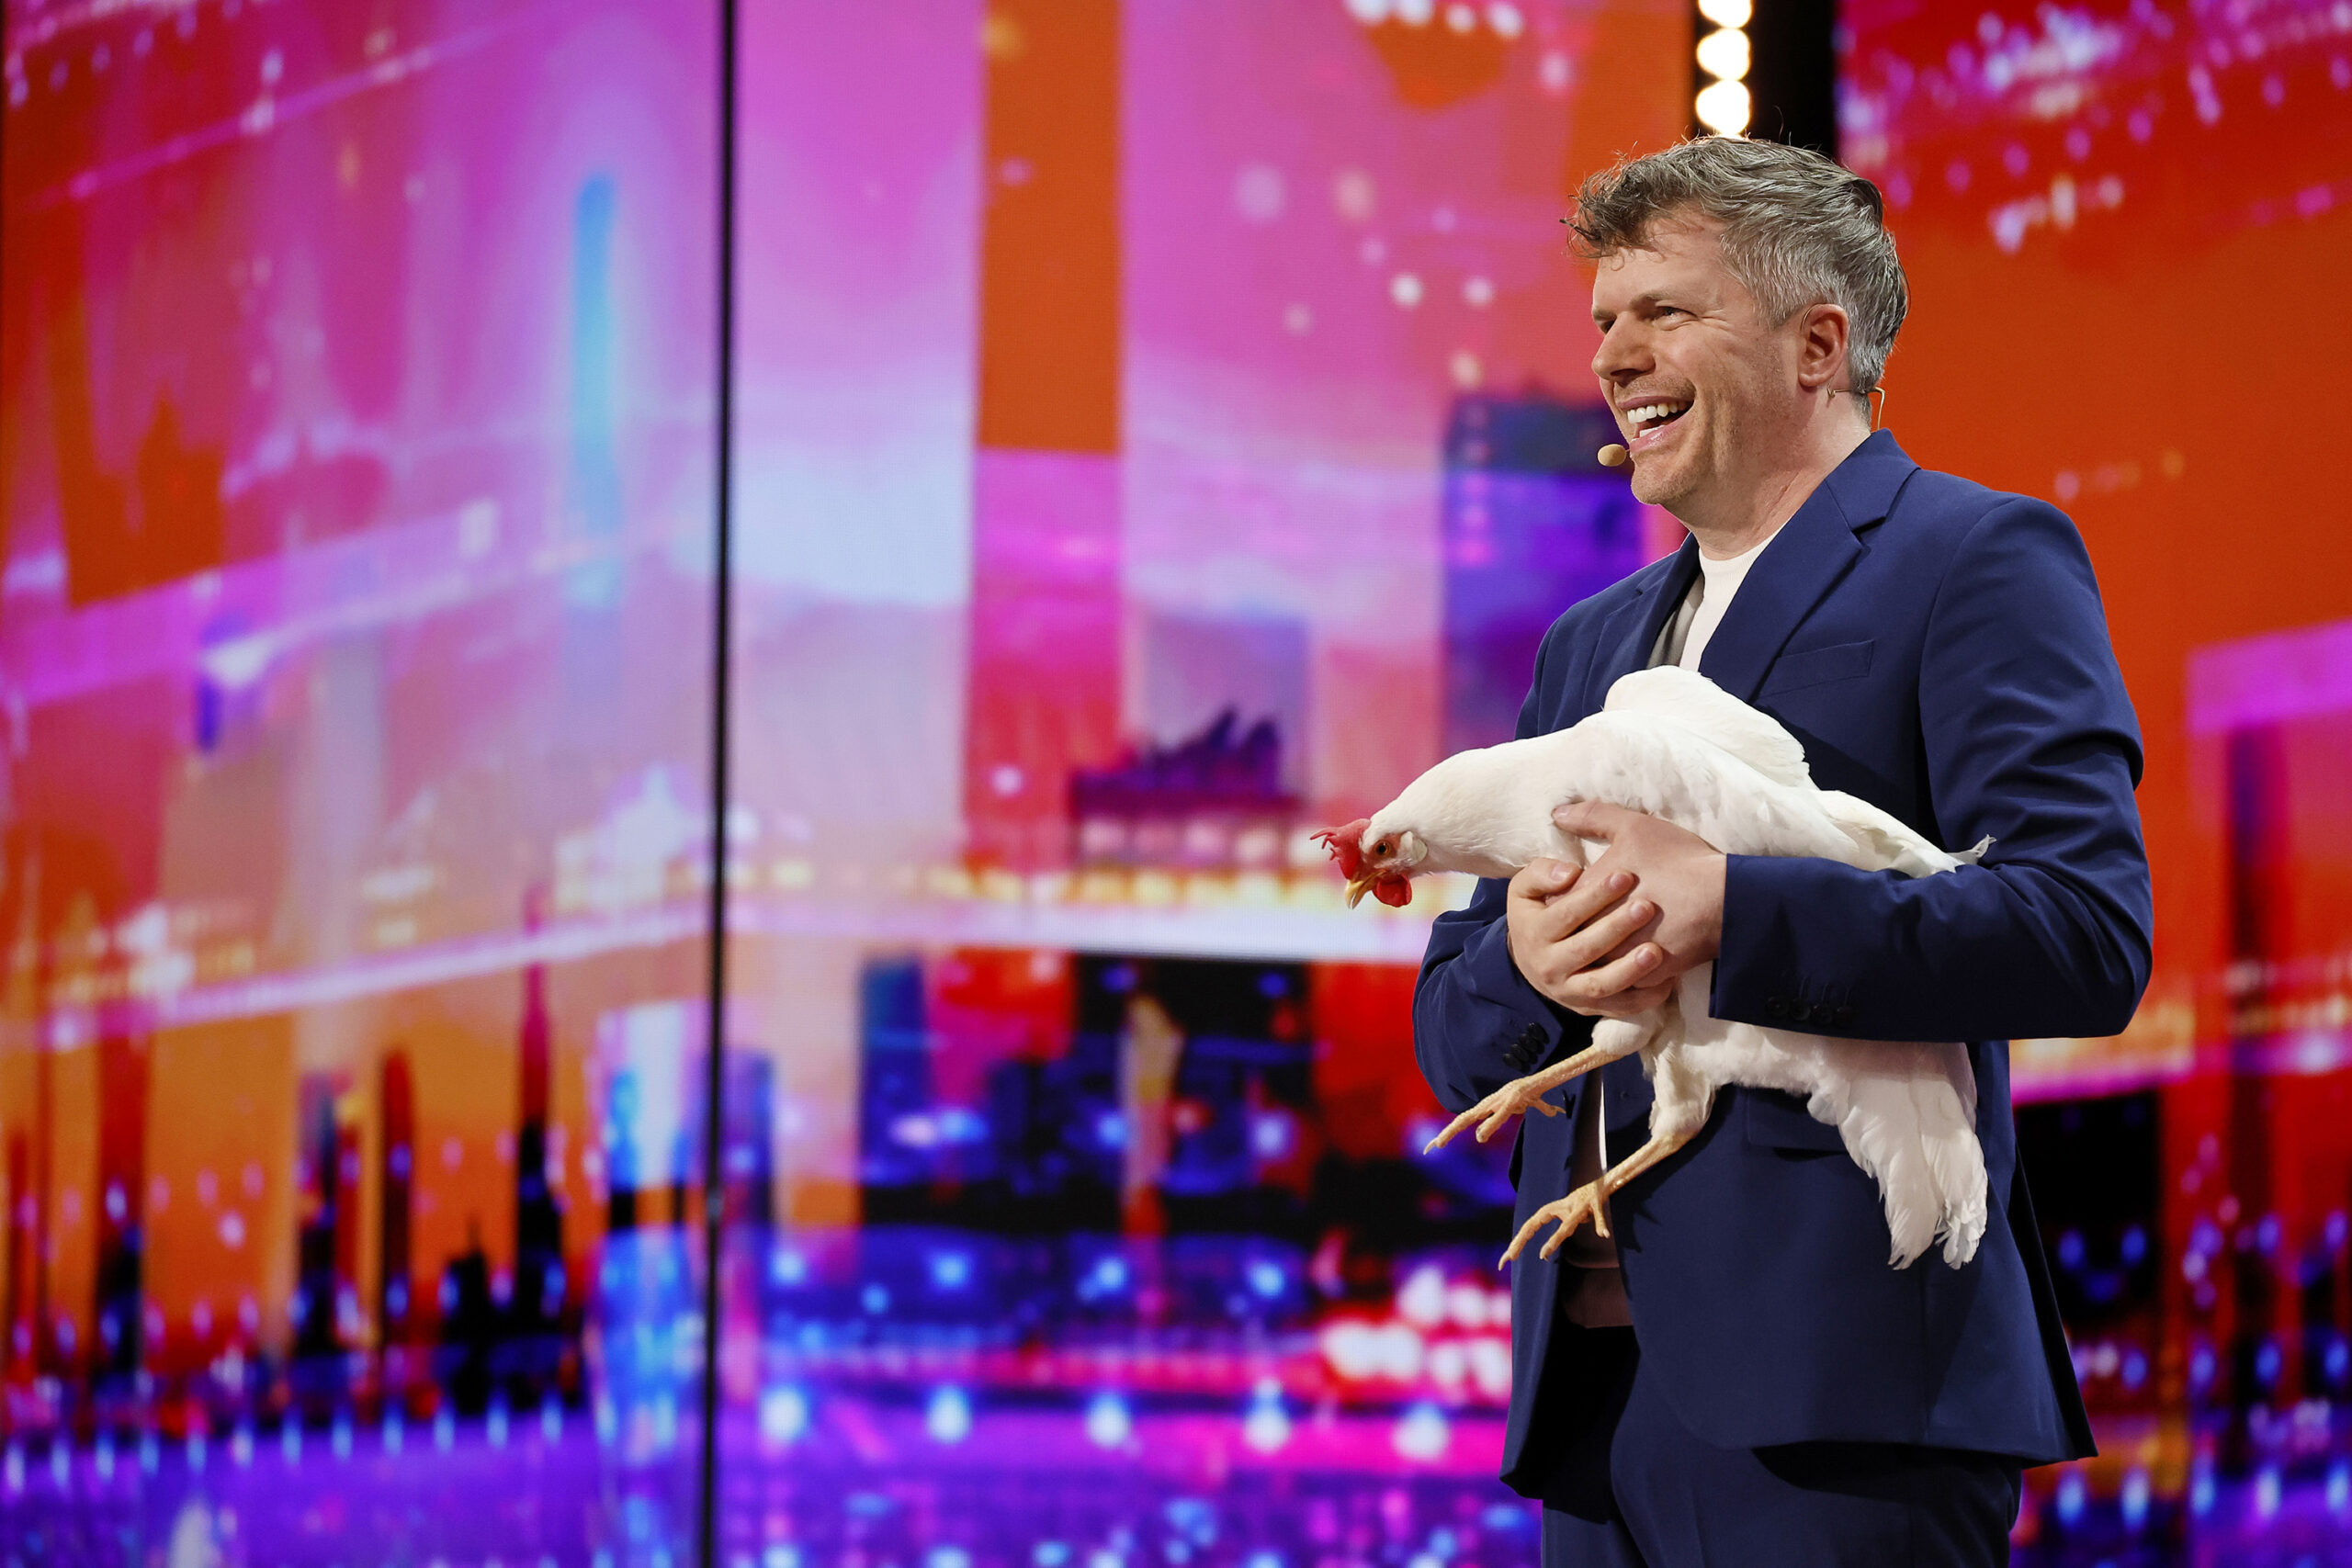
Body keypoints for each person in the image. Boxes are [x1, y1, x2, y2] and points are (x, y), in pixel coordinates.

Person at [1412, 136, 2151, 1567]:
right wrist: (1528, 964)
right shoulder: (1591, 644)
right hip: (1593, 1416)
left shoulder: (1975, 557)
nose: (1613, 356)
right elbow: (1455, 1026)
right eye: (1604, 321)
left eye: (1664, 312)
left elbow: (2083, 930)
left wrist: (1733, 911)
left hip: (1847, 1411)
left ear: (1818, 347)